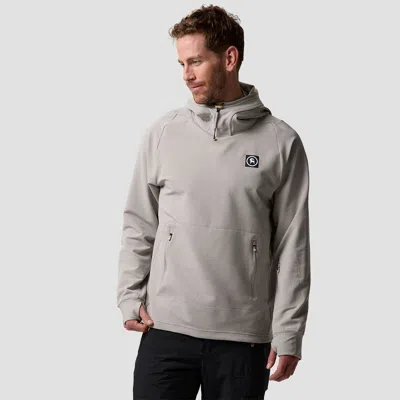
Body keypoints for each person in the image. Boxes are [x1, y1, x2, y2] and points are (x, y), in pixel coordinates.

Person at [116, 5, 311, 399]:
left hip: (243, 338)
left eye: (195, 61)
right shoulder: (163, 133)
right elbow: (139, 222)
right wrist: (129, 296)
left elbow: (293, 245)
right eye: (181, 64)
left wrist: (289, 331)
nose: (186, 75)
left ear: (229, 58)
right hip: (166, 329)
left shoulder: (281, 142)